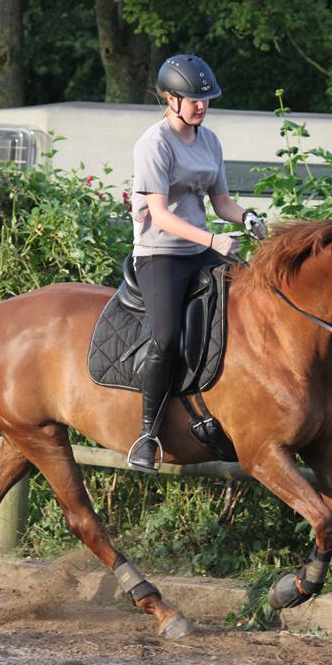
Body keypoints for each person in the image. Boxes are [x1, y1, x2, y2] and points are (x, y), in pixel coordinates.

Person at [127, 53, 267, 473]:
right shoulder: (153, 143)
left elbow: (220, 201)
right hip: (160, 254)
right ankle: (147, 435)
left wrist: (248, 217)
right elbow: (162, 214)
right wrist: (212, 239)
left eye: (206, 99)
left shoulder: (209, 140)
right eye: (192, 99)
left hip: (202, 249)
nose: (201, 106)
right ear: (170, 99)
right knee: (166, 337)